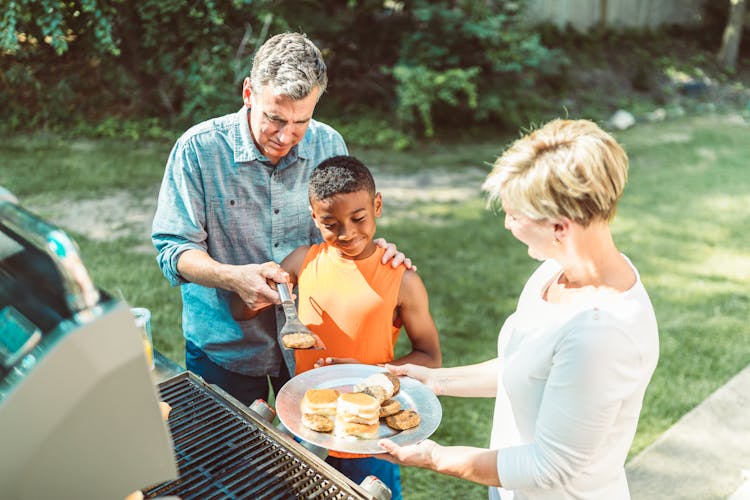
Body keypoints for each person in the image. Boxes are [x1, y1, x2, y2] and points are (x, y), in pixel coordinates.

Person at [376, 118, 660, 499]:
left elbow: (548, 469)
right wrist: (435, 381)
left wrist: (435, 457)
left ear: (560, 227)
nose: (508, 224)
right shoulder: (553, 273)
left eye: (516, 214)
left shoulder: (602, 334)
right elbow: (526, 369)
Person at [151, 32, 410, 407]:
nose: (286, 136)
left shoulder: (329, 145)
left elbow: (339, 232)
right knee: (227, 463)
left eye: (301, 121)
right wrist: (232, 277)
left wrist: (373, 254)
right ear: (248, 94)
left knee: (315, 457)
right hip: (226, 347)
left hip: (313, 344)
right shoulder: (198, 150)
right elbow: (174, 248)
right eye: (274, 118)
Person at [232, 155, 442, 499]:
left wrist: (370, 373)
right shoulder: (301, 262)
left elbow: (430, 357)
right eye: (331, 223)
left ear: (377, 205)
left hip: (373, 433)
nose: (347, 233)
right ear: (314, 218)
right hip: (310, 423)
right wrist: (255, 292)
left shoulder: (402, 280)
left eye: (358, 218)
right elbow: (243, 311)